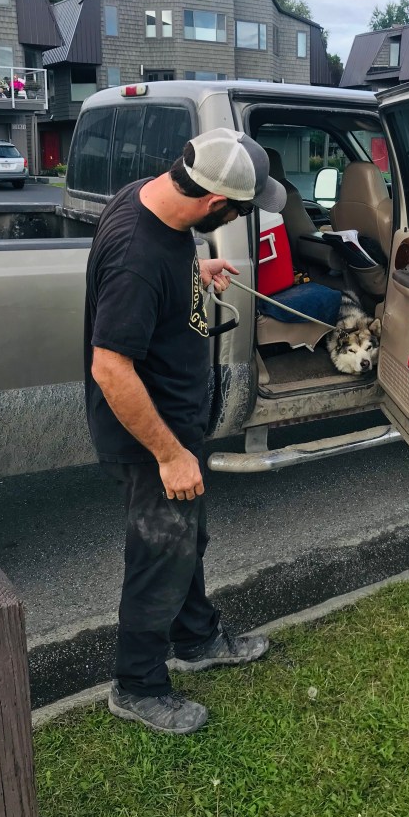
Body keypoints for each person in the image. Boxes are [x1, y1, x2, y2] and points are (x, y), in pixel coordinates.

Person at [85, 128, 286, 735]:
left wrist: (196, 272)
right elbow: (109, 366)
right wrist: (170, 454)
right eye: (242, 210)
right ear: (214, 202)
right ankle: (137, 684)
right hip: (152, 434)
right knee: (159, 552)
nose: (239, 217)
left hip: (176, 419)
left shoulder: (149, 203)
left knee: (186, 539)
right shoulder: (138, 257)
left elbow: (161, 266)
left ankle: (194, 638)